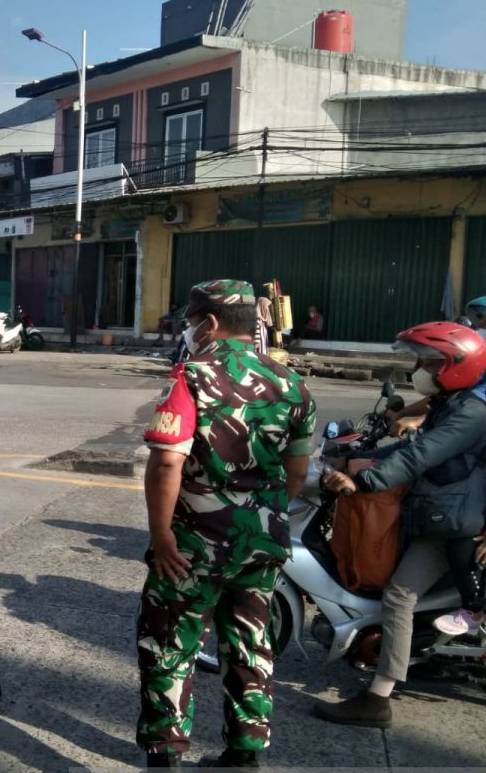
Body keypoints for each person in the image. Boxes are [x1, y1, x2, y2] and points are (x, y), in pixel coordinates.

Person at [137, 279, 315, 769]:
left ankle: (166, 754)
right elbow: (297, 473)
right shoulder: (292, 385)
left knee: (171, 642)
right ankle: (245, 754)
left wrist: (162, 534)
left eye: (192, 321)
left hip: (194, 544)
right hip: (262, 540)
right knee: (250, 645)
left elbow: (167, 462)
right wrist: (261, 515)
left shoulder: (190, 377)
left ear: (209, 323)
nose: (190, 330)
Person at [315, 321, 486, 729]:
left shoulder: (472, 413)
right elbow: (410, 444)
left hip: (458, 525)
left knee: (400, 595)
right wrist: (357, 454)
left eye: (429, 361)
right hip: (439, 517)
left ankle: (378, 699)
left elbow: (420, 456)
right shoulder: (453, 403)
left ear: (457, 365)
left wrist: (361, 480)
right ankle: (379, 697)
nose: (419, 370)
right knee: (396, 594)